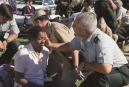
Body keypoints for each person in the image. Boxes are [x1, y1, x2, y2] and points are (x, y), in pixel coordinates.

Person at [45, 12, 129, 87]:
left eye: (74, 25)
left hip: (120, 71)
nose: (72, 26)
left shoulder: (102, 42)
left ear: (83, 31)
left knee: (101, 82)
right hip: (103, 72)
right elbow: (68, 46)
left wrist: (86, 65)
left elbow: (106, 68)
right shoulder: (82, 37)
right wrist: (50, 44)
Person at [32, 9, 79, 87]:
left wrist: (75, 67)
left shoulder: (56, 27)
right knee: (56, 81)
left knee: (66, 84)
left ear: (38, 22)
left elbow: (74, 47)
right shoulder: (45, 30)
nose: (35, 26)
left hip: (72, 59)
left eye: (34, 23)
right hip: (61, 58)